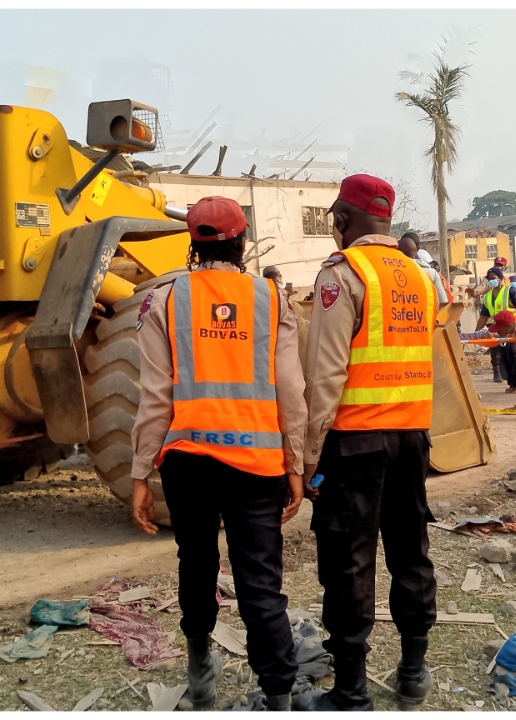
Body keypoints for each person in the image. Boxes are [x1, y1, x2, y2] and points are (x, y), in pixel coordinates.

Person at [131, 196, 306, 711]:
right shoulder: (273, 301)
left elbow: (154, 397)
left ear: (193, 242)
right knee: (260, 581)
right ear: (242, 241)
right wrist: (295, 464)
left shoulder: (163, 299)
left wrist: (141, 473)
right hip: (258, 466)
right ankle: (278, 693)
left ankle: (200, 670)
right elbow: (290, 393)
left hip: (190, 464)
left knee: (197, 564)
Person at [299, 174, 439, 712]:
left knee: (349, 560)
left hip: (355, 443)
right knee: (410, 553)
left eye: (335, 218)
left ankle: (352, 690)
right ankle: (412, 671)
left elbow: (326, 372)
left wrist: (310, 455)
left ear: (342, 219)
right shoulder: (419, 277)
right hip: (412, 440)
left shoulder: (343, 274)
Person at [477, 266, 516, 386]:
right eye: (489, 278)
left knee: (513, 354)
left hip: (511, 328)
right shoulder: (487, 297)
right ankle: (512, 385)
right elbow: (483, 316)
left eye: (494, 278)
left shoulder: (510, 291)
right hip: (498, 330)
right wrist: (477, 332)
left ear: (501, 278)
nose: (492, 280)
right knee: (504, 356)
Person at [397, 232, 451, 304]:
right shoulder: (432, 274)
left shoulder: (394, 272)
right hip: (427, 313)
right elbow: (444, 303)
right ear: (416, 250)